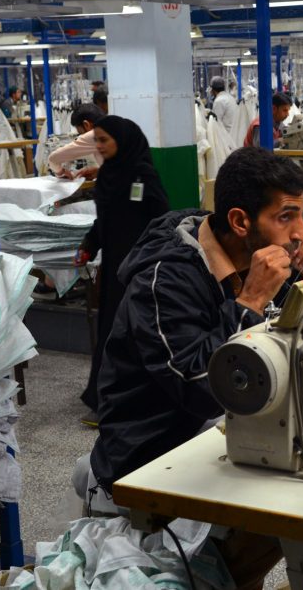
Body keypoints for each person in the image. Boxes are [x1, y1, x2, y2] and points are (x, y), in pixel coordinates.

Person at [84, 148, 303, 588]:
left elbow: (276, 340)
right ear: (240, 222)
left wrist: (301, 281)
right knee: (297, 506)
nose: (300, 232)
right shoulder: (164, 278)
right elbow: (202, 385)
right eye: (286, 217)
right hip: (153, 451)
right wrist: (252, 300)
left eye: (302, 215)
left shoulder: (243, 254)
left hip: (215, 430)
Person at [74, 116, 170, 423]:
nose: (99, 146)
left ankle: (131, 400)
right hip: (114, 267)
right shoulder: (107, 175)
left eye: (104, 140)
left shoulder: (143, 175)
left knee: (133, 330)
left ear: (123, 140)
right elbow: (104, 219)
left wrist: (152, 260)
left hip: (140, 267)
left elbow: (161, 220)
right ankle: (105, 397)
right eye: (96, 140)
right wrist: (90, 244)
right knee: (112, 329)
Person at [48, 103, 105, 179]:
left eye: (81, 133)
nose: (81, 137)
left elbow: (53, 159)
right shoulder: (114, 126)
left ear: (86, 125)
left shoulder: (94, 135)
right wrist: (99, 171)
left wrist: (62, 173)